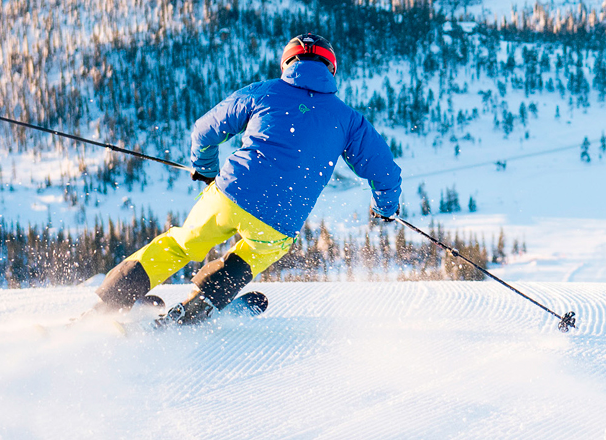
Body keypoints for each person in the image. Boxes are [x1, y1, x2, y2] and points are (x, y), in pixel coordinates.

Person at [95, 33, 402, 325]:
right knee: (252, 255)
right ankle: (202, 302)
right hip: (281, 218)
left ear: (287, 63)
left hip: (231, 193)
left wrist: (205, 167)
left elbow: (204, 130)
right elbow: (384, 171)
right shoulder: (348, 119)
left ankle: (110, 301)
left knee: (181, 244)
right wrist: (385, 208)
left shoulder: (263, 91)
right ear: (331, 69)